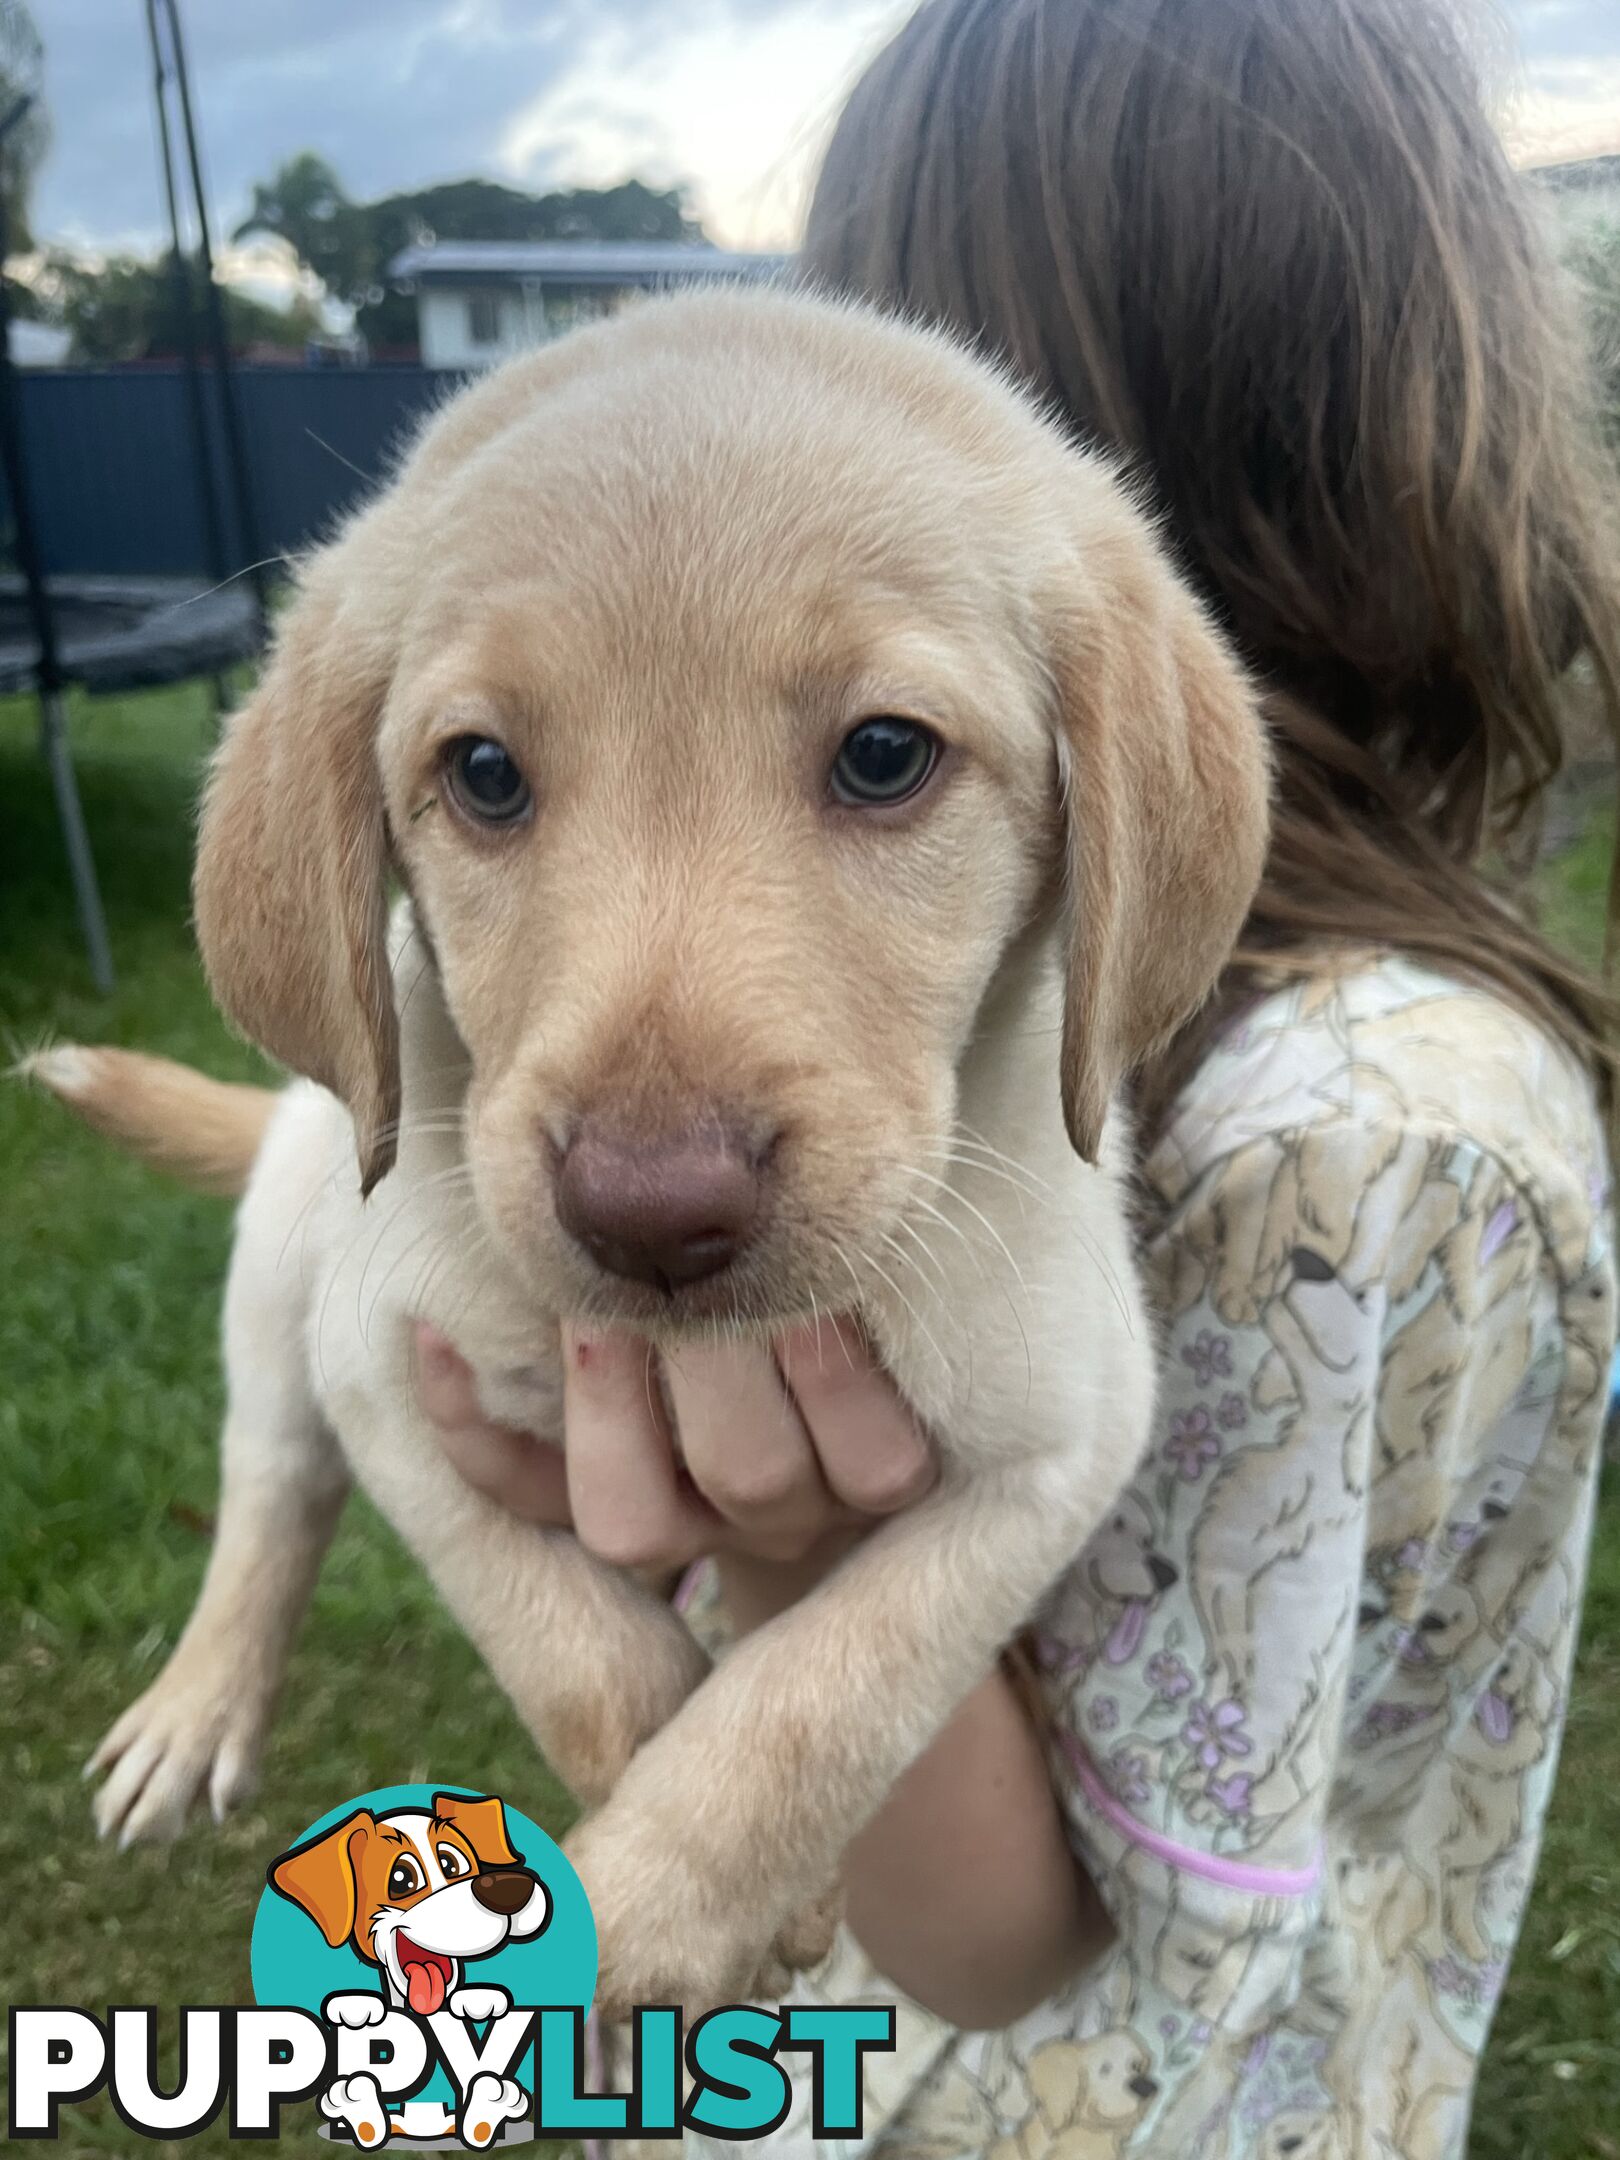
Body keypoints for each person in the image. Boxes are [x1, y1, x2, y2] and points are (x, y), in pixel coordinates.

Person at [413, 0, 1620, 2150]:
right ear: (1444, 397)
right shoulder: (1070, 988)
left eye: (883, 756)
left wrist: (773, 1549)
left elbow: (1018, 1949)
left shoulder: (1360, 1137)